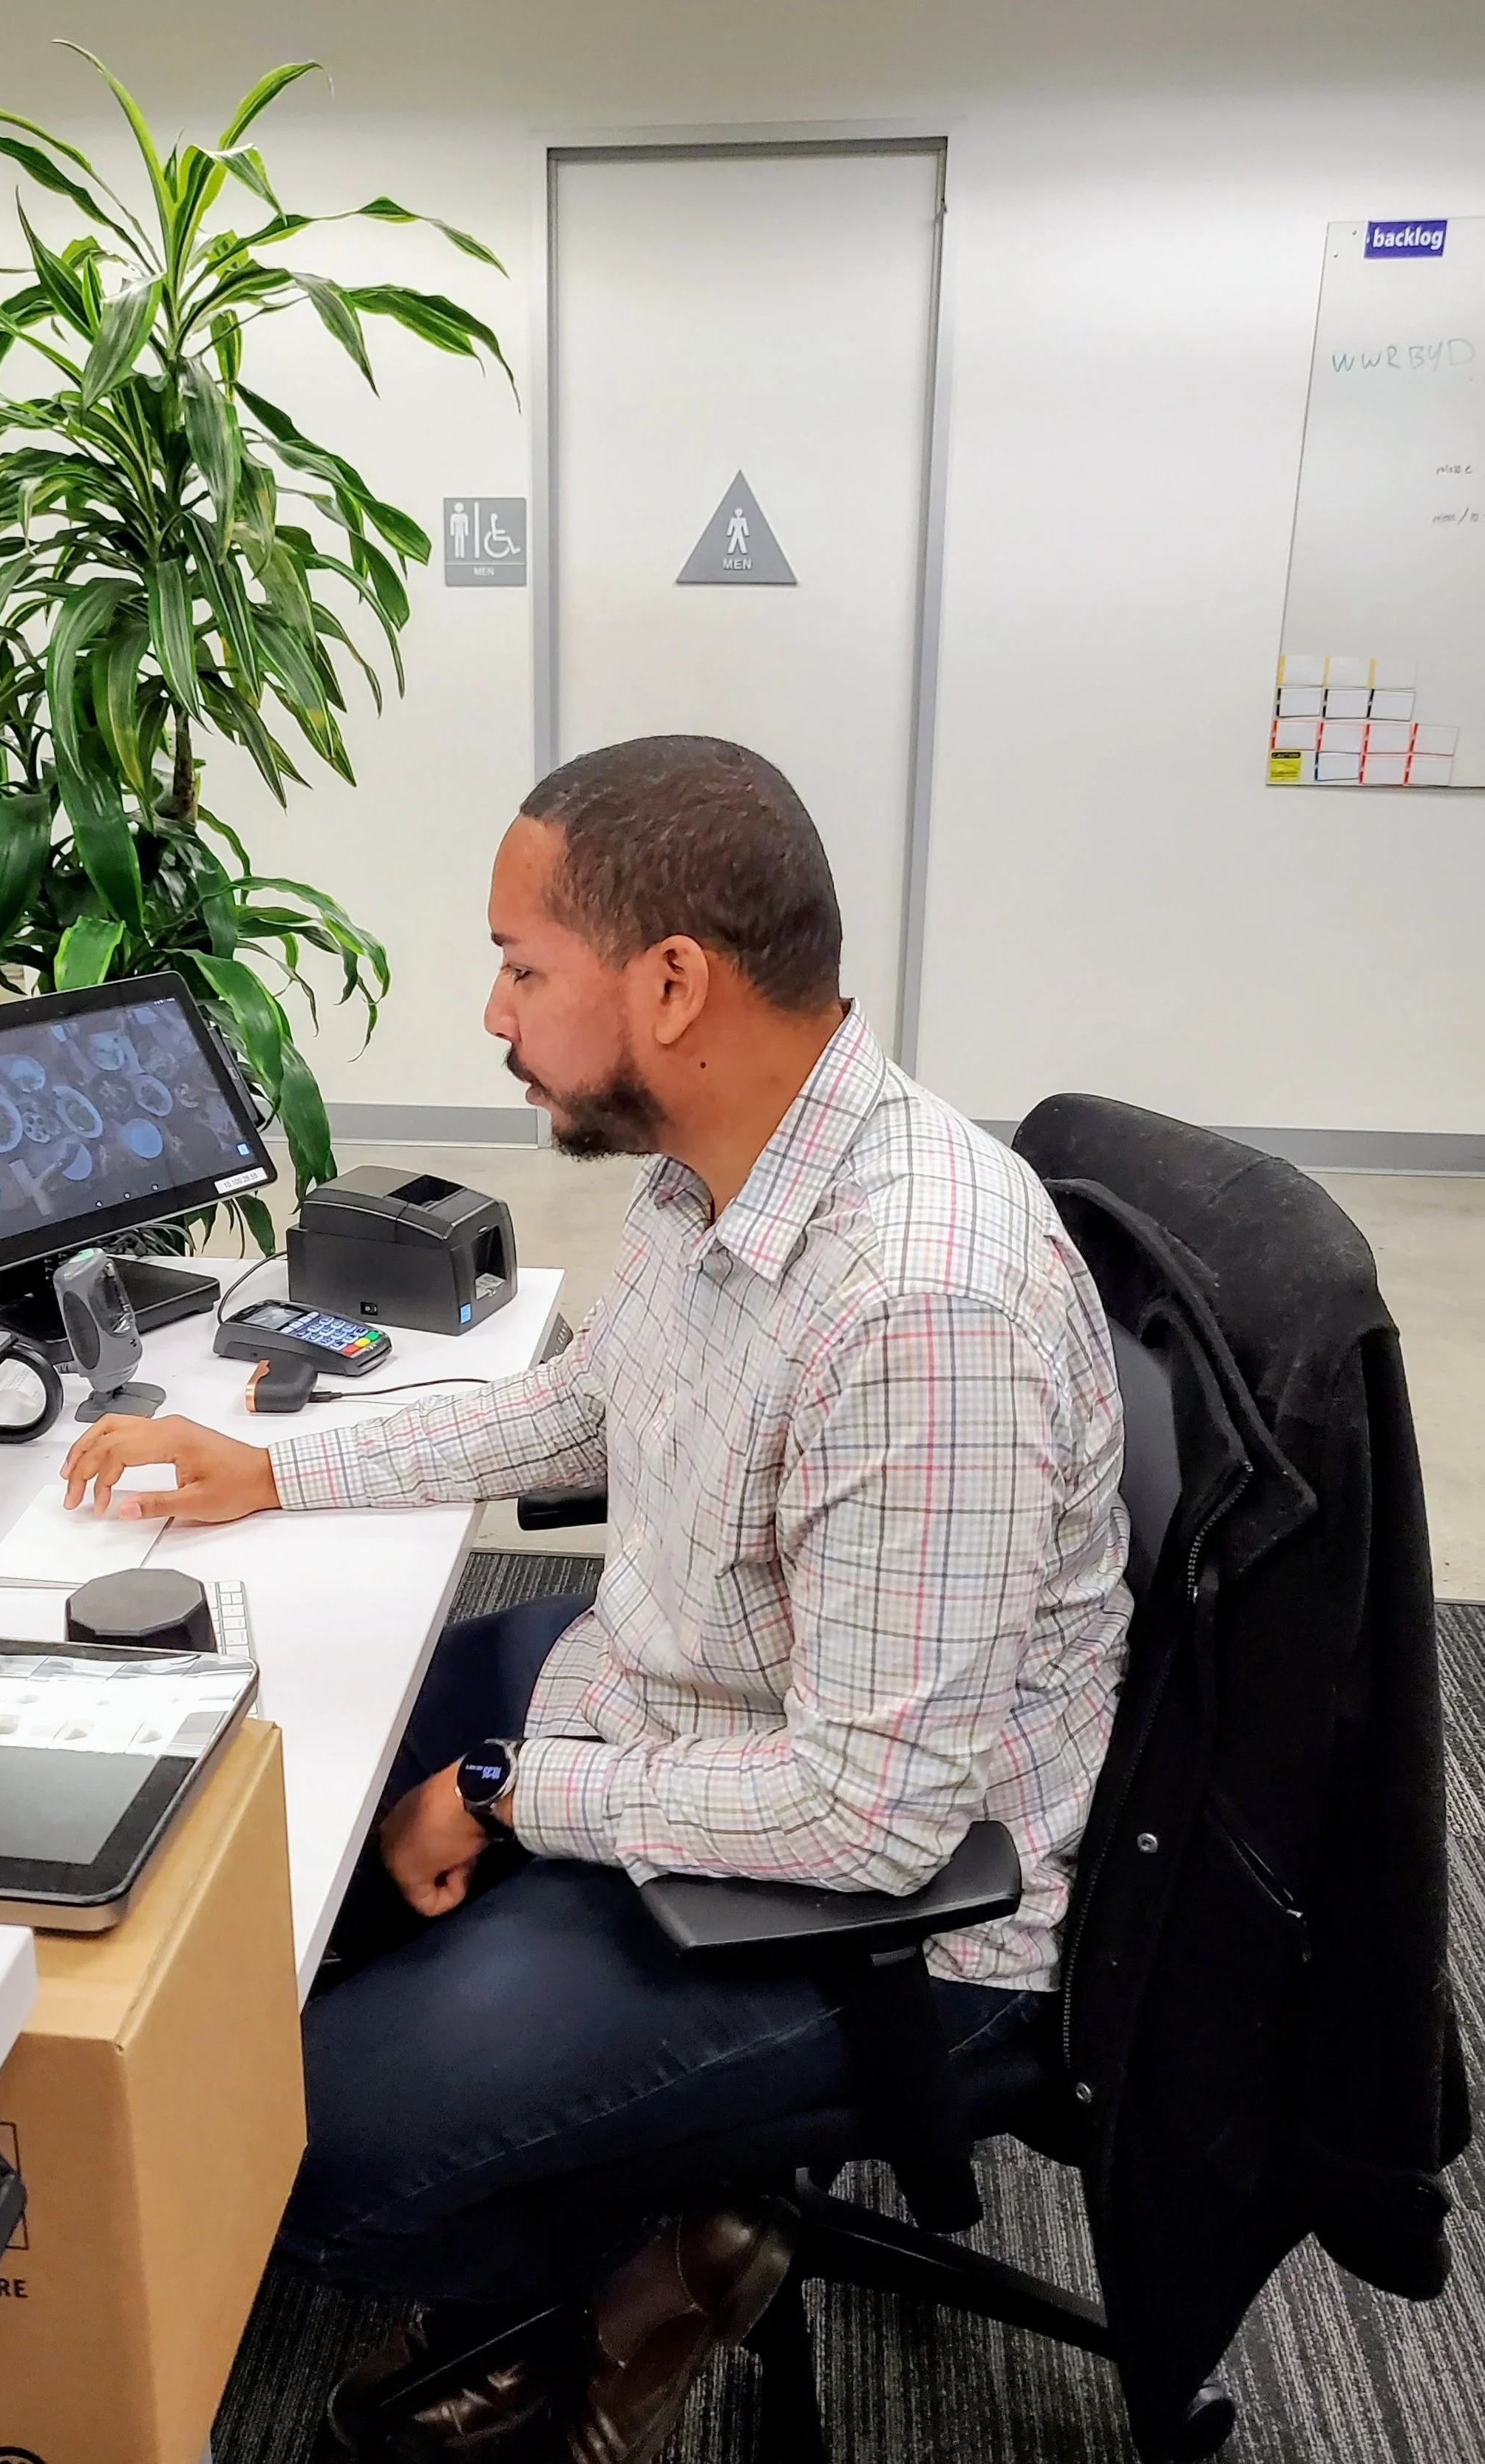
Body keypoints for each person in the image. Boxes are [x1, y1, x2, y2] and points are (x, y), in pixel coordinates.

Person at [61, 736, 1130, 2463]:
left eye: (519, 962)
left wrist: (502, 1794)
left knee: (291, 2152)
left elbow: (867, 1816)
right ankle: (539, 2112)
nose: (491, 1008)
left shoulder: (924, 1302)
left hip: (877, 1905)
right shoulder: (725, 1160)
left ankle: (653, 2263)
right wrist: (280, 1465)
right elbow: (585, 1402)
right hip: (692, 1701)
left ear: (671, 981)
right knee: (269, 1781)